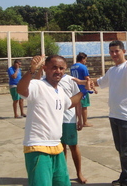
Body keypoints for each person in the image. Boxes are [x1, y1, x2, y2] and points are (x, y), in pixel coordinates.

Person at [17, 55, 91, 186]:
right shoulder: (38, 85)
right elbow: (21, 89)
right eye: (54, 68)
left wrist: (84, 90)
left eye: (61, 68)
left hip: (56, 147)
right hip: (38, 148)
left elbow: (69, 103)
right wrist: (31, 71)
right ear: (45, 68)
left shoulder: (60, 91)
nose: (58, 71)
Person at [92, 40, 127, 186]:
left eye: (117, 51)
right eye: (111, 52)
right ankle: (125, 175)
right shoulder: (112, 70)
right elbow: (100, 82)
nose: (114, 54)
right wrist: (82, 81)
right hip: (114, 115)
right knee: (121, 149)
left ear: (123, 51)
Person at [70, 52, 95, 127]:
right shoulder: (83, 67)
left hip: (75, 88)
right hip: (82, 88)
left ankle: (76, 120)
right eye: (85, 60)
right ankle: (84, 122)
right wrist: (92, 88)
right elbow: (87, 79)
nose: (85, 61)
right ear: (82, 59)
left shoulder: (72, 67)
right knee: (84, 106)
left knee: (76, 105)